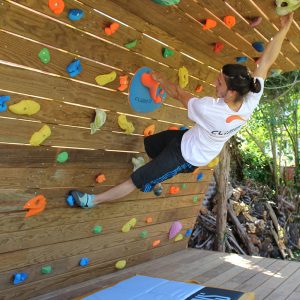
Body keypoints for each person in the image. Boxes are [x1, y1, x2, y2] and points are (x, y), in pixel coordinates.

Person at [69, 13, 294, 208]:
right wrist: (284, 28)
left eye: (219, 84)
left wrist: (160, 79)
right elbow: (265, 62)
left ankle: (92, 201)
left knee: (137, 179)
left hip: (186, 157)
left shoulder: (211, 110)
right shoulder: (251, 97)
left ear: (232, 91)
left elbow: (178, 93)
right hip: (187, 138)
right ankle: (155, 176)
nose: (215, 85)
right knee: (151, 145)